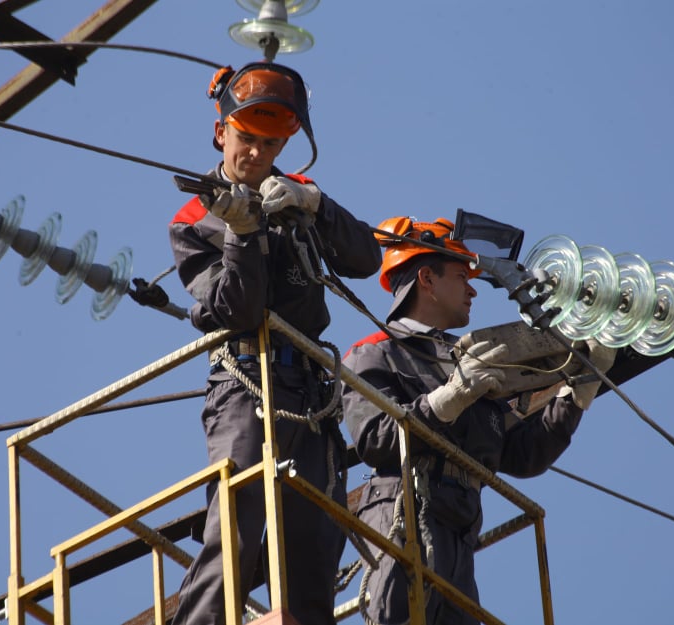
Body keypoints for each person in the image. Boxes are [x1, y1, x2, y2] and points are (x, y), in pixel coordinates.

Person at [168, 61, 382, 625]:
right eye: (247, 139)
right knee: (235, 531)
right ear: (221, 132)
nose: (258, 154)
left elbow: (366, 259)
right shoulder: (195, 219)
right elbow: (237, 308)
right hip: (245, 385)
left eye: (270, 143)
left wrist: (316, 207)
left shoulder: (296, 193)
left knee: (314, 538)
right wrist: (241, 232)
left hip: (311, 394)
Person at [342, 216, 616, 624]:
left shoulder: (475, 361)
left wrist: (578, 392)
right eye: (460, 275)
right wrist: (448, 399)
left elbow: (523, 454)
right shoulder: (374, 353)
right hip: (403, 511)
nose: (472, 288)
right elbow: (377, 440)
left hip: (459, 524)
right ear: (426, 279)